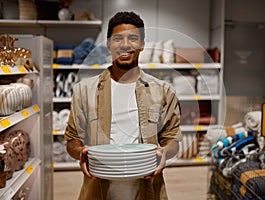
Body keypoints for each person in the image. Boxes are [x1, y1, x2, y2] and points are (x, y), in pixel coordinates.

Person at [64, 11, 182, 200]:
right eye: (118, 38)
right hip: (98, 190)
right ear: (109, 45)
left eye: (133, 38)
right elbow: (72, 140)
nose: (125, 44)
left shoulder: (163, 91)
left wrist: (165, 152)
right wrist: (81, 153)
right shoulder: (84, 90)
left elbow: (171, 139)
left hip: (147, 190)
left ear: (142, 45)